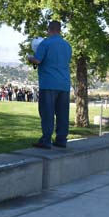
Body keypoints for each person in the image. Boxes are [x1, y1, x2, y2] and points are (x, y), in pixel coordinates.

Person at [27, 20, 72, 149]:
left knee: (47, 112)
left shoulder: (45, 43)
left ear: (49, 29)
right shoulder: (67, 45)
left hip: (48, 83)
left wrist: (30, 58)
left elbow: (38, 60)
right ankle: (61, 139)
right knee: (63, 113)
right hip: (64, 84)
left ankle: (46, 140)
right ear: (60, 30)